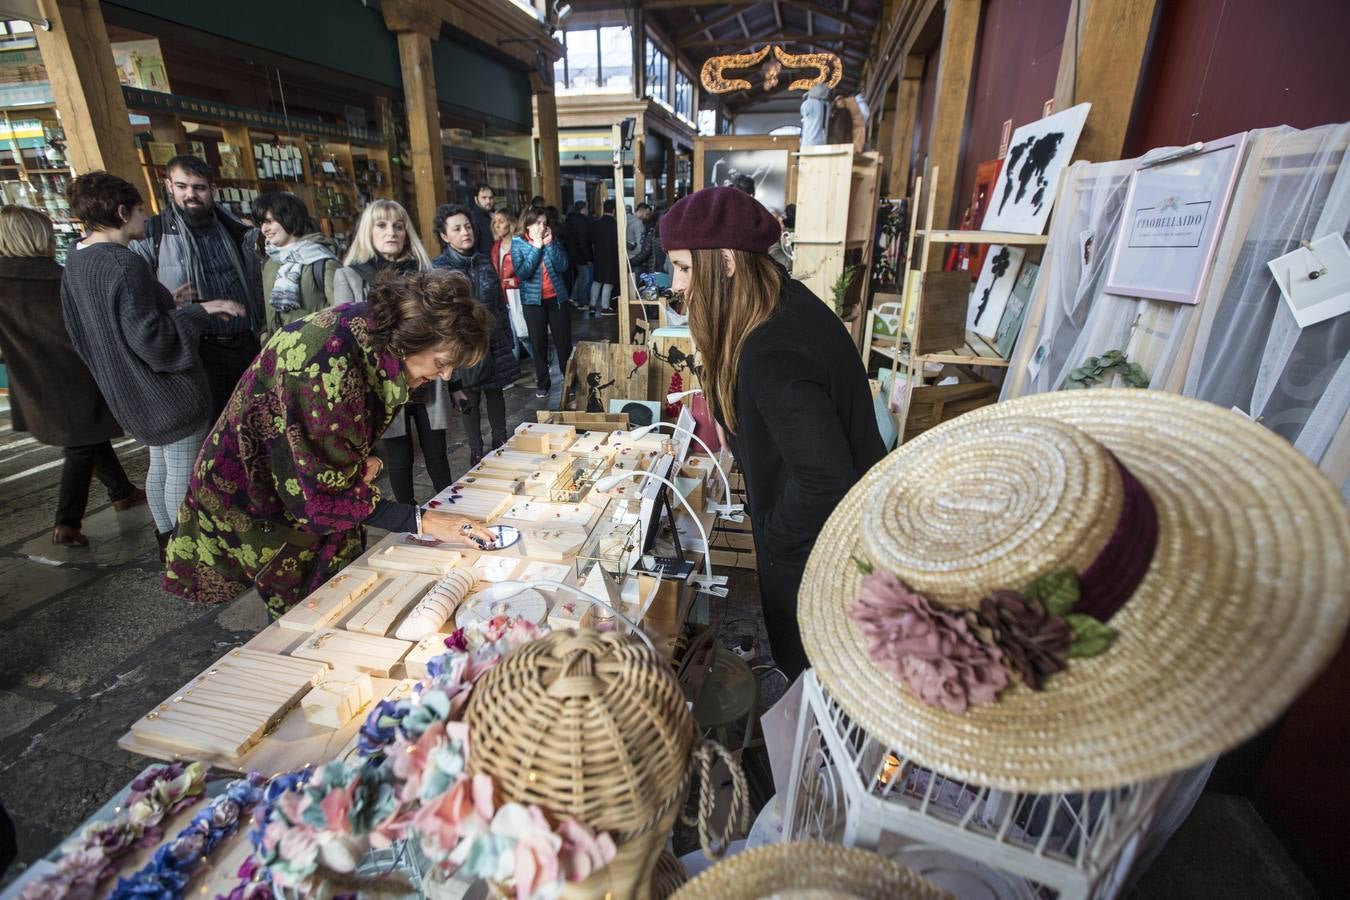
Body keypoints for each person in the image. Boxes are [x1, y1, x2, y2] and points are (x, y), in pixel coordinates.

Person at [164, 271, 497, 619]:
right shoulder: (325, 369)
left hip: (294, 484)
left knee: (340, 590)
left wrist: (359, 464)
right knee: (309, 613)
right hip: (256, 497)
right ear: (414, 335)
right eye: (442, 362)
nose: (445, 376)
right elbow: (322, 498)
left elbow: (335, 445)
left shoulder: (376, 334)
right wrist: (423, 521)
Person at [662, 186, 884, 676]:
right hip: (826, 537)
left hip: (819, 553)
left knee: (815, 677)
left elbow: (825, 480)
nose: (675, 283)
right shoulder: (779, 302)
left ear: (724, 262)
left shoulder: (770, 348)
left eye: (683, 266)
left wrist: (771, 536)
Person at [61, 172, 245, 558]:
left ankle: (168, 545)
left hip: (128, 393)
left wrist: (166, 303)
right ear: (122, 211)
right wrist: (199, 311)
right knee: (183, 473)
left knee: (161, 467)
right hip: (164, 393)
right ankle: (188, 554)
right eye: (141, 211)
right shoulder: (124, 264)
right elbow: (154, 341)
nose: (147, 219)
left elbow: (94, 330)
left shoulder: (76, 262)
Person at [0, 205, 145, 547]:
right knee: (80, 443)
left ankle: (120, 489)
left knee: (88, 434)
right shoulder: (56, 277)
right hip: (73, 371)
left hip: (32, 374)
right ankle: (67, 521)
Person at [334, 199, 457, 505]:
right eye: (382, 225)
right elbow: (342, 340)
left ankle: (453, 510)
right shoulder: (350, 275)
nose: (391, 232)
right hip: (383, 382)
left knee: (437, 452)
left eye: (398, 226)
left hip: (426, 380)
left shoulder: (425, 273)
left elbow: (445, 332)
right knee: (398, 457)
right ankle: (408, 524)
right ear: (368, 230)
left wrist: (455, 382)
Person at [131, 155, 263, 422]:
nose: (191, 194)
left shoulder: (235, 228)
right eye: (182, 186)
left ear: (212, 190)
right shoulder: (152, 234)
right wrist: (167, 300)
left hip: (244, 341)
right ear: (169, 186)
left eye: (199, 188)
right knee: (213, 427)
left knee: (254, 418)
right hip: (198, 349)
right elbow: (136, 299)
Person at [432, 203, 520, 465]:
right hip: (462, 345)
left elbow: (499, 304)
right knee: (469, 396)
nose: (465, 232)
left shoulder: (484, 260)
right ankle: (476, 450)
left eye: (467, 226)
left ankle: (501, 440)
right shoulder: (439, 268)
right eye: (456, 229)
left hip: (492, 340)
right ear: (445, 236)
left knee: (496, 392)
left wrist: (505, 336)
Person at [253, 191, 337, 337]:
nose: (264, 229)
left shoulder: (321, 260)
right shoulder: (269, 262)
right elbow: (268, 309)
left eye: (269, 221)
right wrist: (265, 333)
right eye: (261, 223)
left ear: (289, 218)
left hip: (317, 351)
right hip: (279, 352)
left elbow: (343, 312)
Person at [511, 206, 572, 399]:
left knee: (564, 343)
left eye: (544, 223)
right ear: (527, 224)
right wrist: (537, 247)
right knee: (539, 344)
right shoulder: (518, 243)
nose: (541, 226)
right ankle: (543, 383)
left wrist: (551, 244)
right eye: (537, 223)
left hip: (557, 299)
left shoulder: (551, 240)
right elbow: (523, 272)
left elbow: (563, 265)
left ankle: (570, 381)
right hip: (532, 302)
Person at [489, 209, 528, 354]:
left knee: (524, 335)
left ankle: (544, 362)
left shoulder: (520, 244)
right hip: (503, 297)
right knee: (511, 338)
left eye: (501, 221)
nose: (497, 226)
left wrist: (516, 281)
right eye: (494, 223)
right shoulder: (495, 247)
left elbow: (531, 269)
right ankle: (514, 375)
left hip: (519, 295)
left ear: (510, 223)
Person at [588, 198, 620, 316]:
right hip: (612, 257)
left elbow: (590, 241)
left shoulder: (595, 224)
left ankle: (592, 306)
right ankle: (605, 308)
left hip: (598, 256)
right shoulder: (616, 224)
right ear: (614, 210)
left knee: (597, 281)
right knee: (608, 282)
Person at [562, 200, 593, 307]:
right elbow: (583, 241)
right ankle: (582, 301)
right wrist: (588, 258)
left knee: (580, 276)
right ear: (583, 209)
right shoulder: (582, 222)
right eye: (586, 208)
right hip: (580, 254)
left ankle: (573, 297)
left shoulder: (569, 220)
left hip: (570, 253)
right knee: (585, 277)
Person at [629, 207, 667, 277]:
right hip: (667, 271)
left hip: (655, 271)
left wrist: (629, 262)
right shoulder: (670, 235)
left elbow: (643, 254)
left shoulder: (653, 235)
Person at [470, 182, 495, 257]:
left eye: (491, 198)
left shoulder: (492, 214)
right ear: (476, 199)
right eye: (484, 198)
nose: (488, 201)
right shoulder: (473, 218)